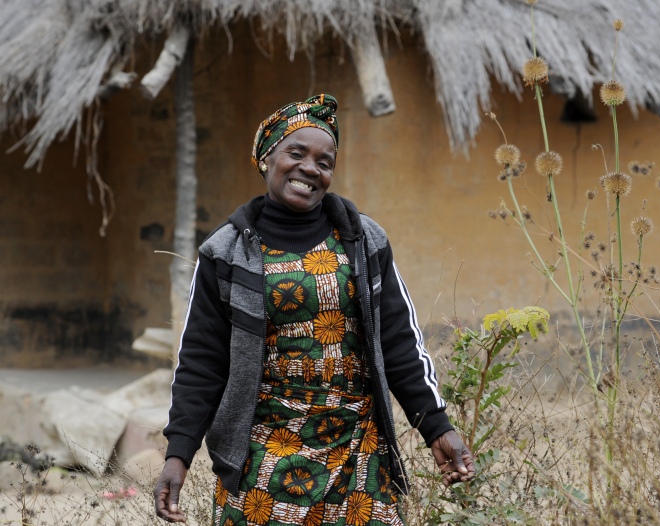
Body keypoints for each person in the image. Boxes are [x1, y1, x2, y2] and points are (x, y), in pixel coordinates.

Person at [154, 94, 476, 525]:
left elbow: (399, 342)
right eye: (297, 152)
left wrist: (436, 426)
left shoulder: (364, 242)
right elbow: (202, 361)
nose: (311, 168)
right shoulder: (226, 252)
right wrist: (179, 453)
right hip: (263, 451)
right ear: (267, 157)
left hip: (358, 451)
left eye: (325, 161)